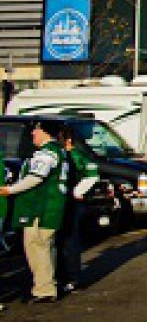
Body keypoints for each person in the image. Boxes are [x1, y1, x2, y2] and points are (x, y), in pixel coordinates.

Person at [0, 119, 68, 302]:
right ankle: (49, 284)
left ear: (45, 132)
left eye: (36, 131)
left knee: (37, 247)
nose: (32, 134)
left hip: (41, 209)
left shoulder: (47, 153)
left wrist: (10, 190)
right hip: (51, 208)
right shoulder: (59, 151)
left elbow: (36, 177)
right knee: (46, 247)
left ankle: (44, 289)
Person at [58, 126, 98, 293]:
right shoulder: (65, 154)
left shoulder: (77, 155)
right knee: (63, 239)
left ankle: (72, 277)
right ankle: (65, 274)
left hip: (73, 202)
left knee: (70, 238)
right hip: (65, 200)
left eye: (60, 138)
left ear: (68, 140)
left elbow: (93, 174)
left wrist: (77, 191)